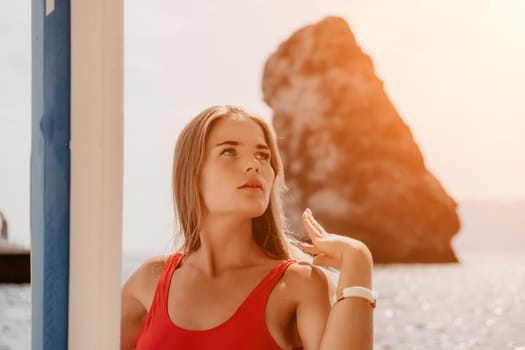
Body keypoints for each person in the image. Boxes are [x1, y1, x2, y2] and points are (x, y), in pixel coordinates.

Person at [120, 105, 376, 350]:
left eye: (263, 155)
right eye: (229, 151)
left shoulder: (301, 285)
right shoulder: (149, 281)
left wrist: (358, 262)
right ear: (193, 173)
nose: (254, 164)